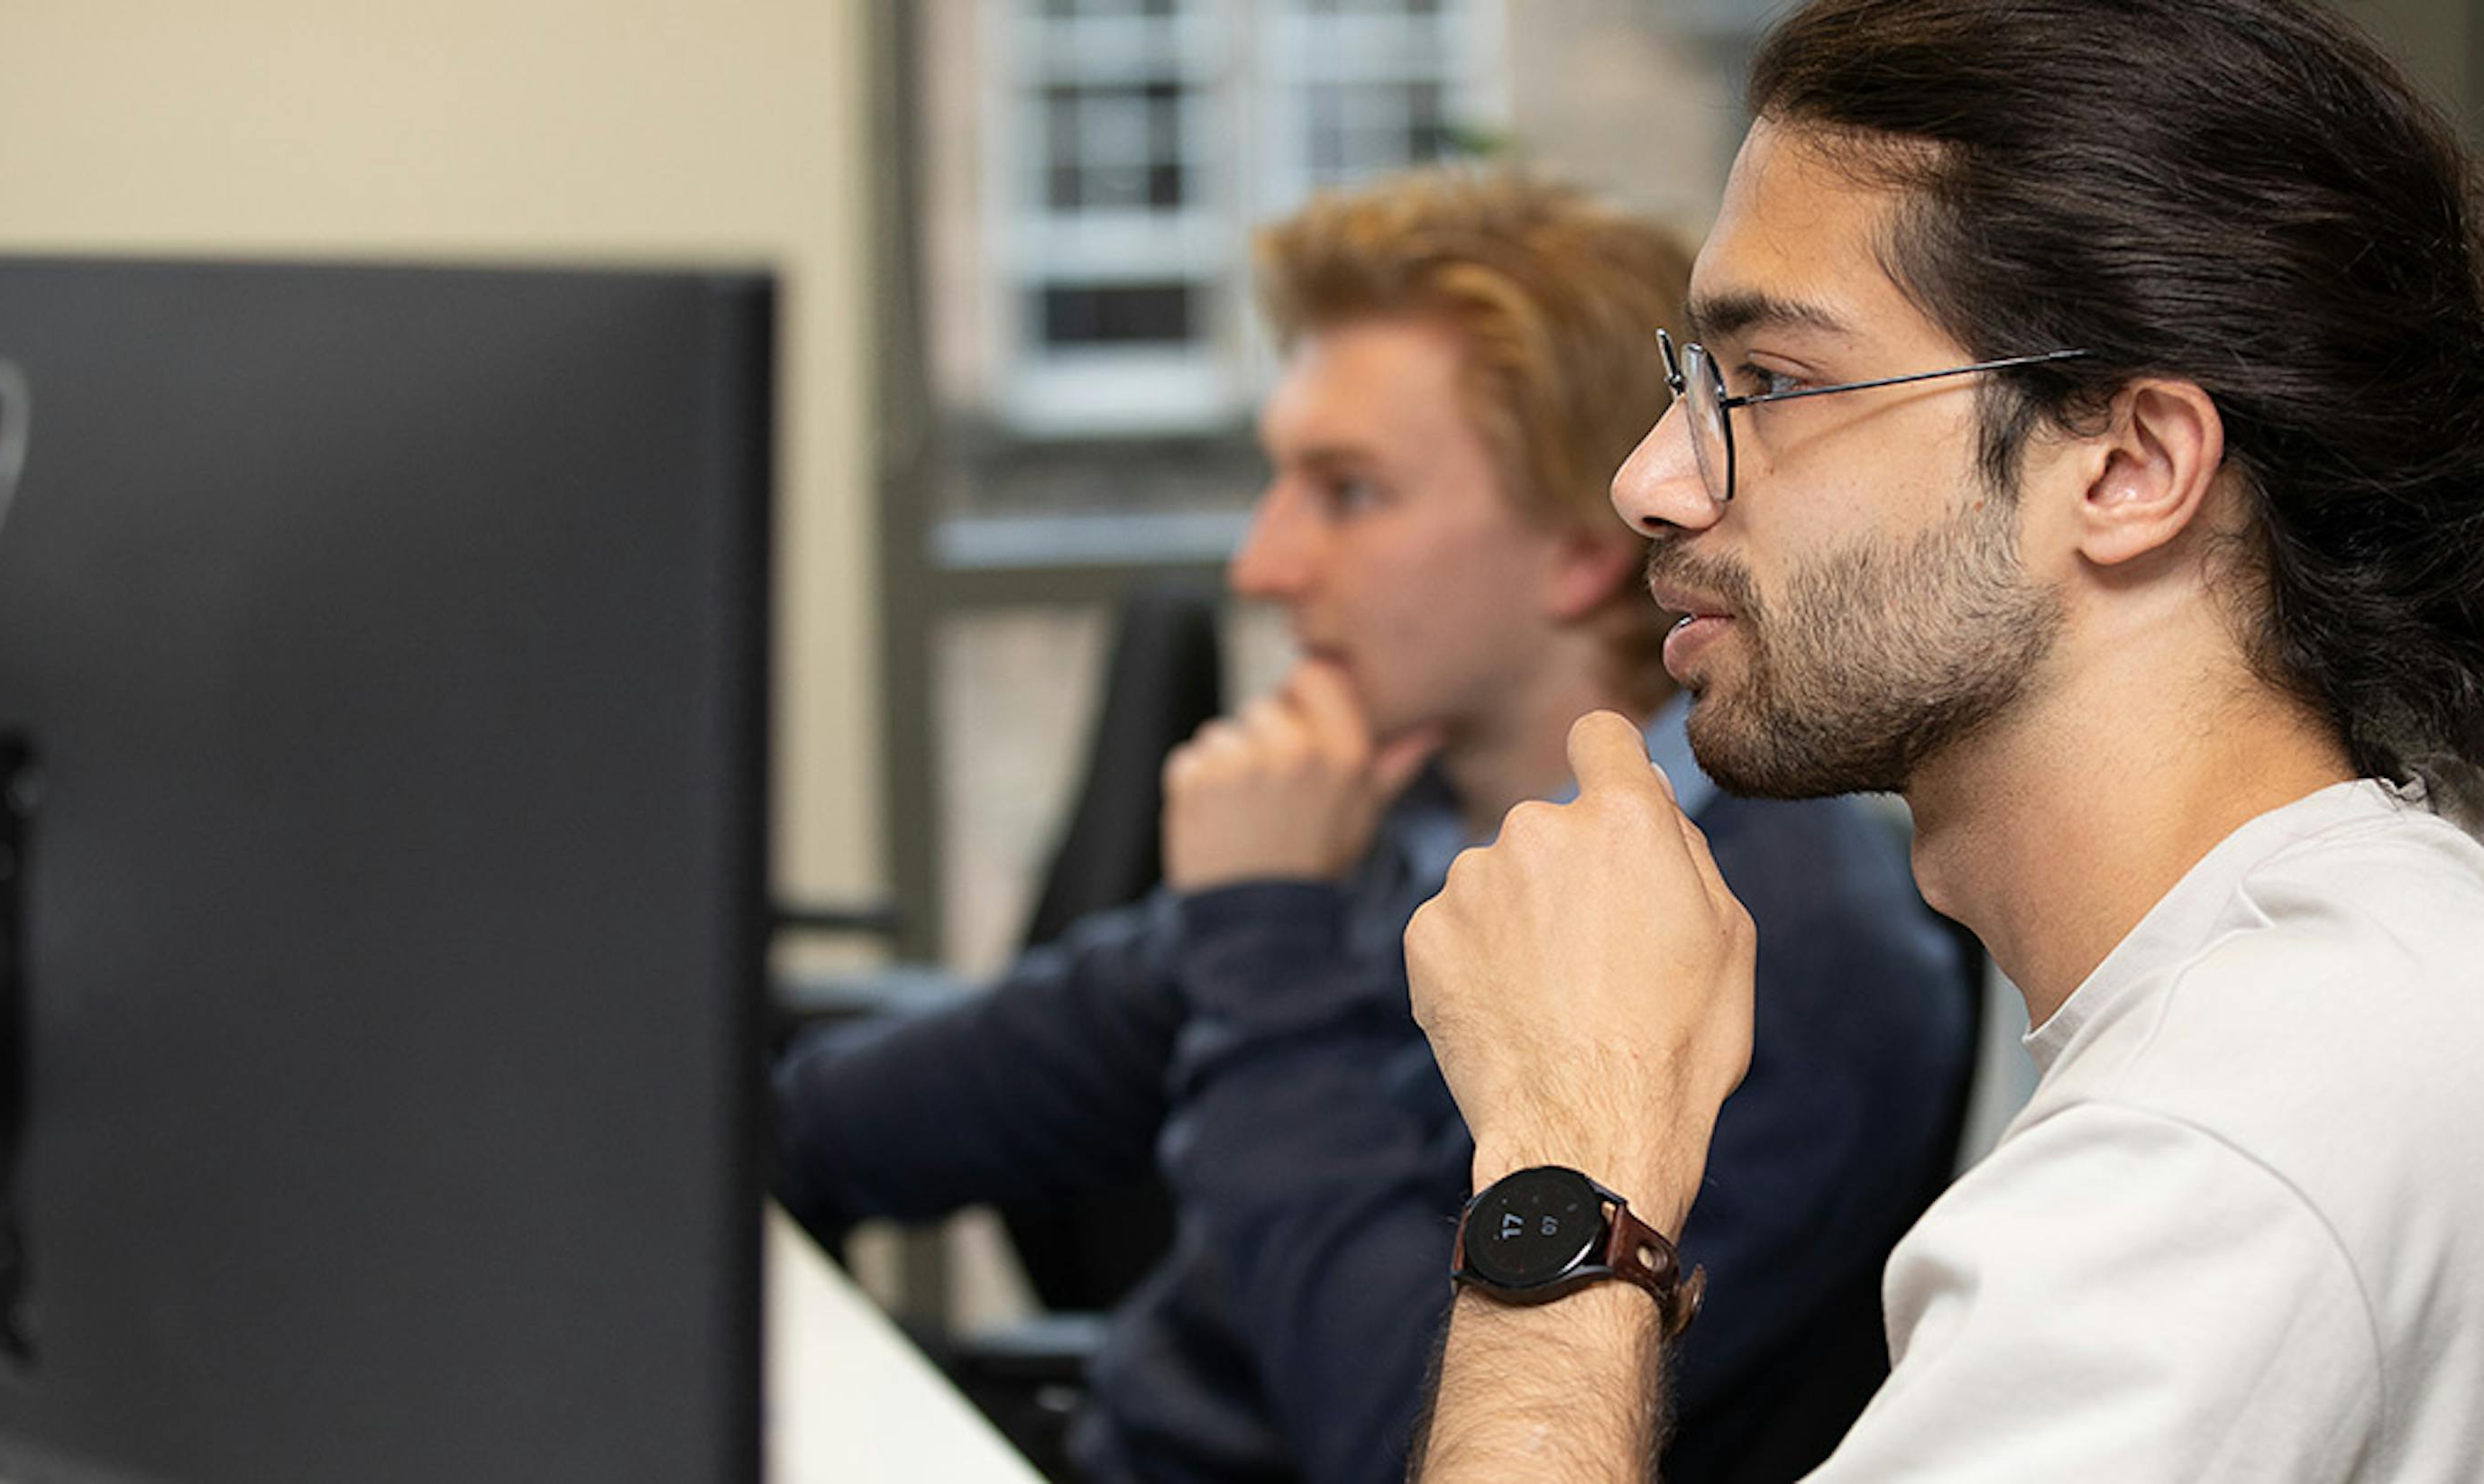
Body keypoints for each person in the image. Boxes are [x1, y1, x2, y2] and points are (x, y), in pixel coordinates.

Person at [1398, 2, 2484, 1479]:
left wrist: (1567, 1151)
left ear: (2133, 465)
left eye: (1775, 385)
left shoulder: (2233, 1140)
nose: (1653, 480)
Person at [769, 169, 1970, 1484]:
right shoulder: (1400, 821)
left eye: (1346, 493)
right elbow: (860, 1123)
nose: (1264, 564)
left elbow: (1400, 1439)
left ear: (1577, 546)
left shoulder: (1799, 957)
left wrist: (1259, 928)